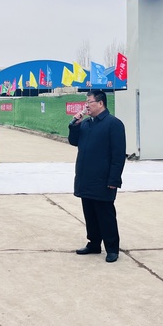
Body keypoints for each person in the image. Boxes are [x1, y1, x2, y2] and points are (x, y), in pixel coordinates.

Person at [68, 90, 126, 263]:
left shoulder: (113, 124)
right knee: (90, 214)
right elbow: (74, 141)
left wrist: (114, 179)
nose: (86, 105)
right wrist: (74, 125)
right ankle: (94, 244)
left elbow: (118, 155)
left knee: (105, 215)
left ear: (100, 103)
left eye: (89, 102)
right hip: (85, 177)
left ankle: (112, 248)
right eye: (86, 102)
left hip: (103, 179)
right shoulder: (86, 123)